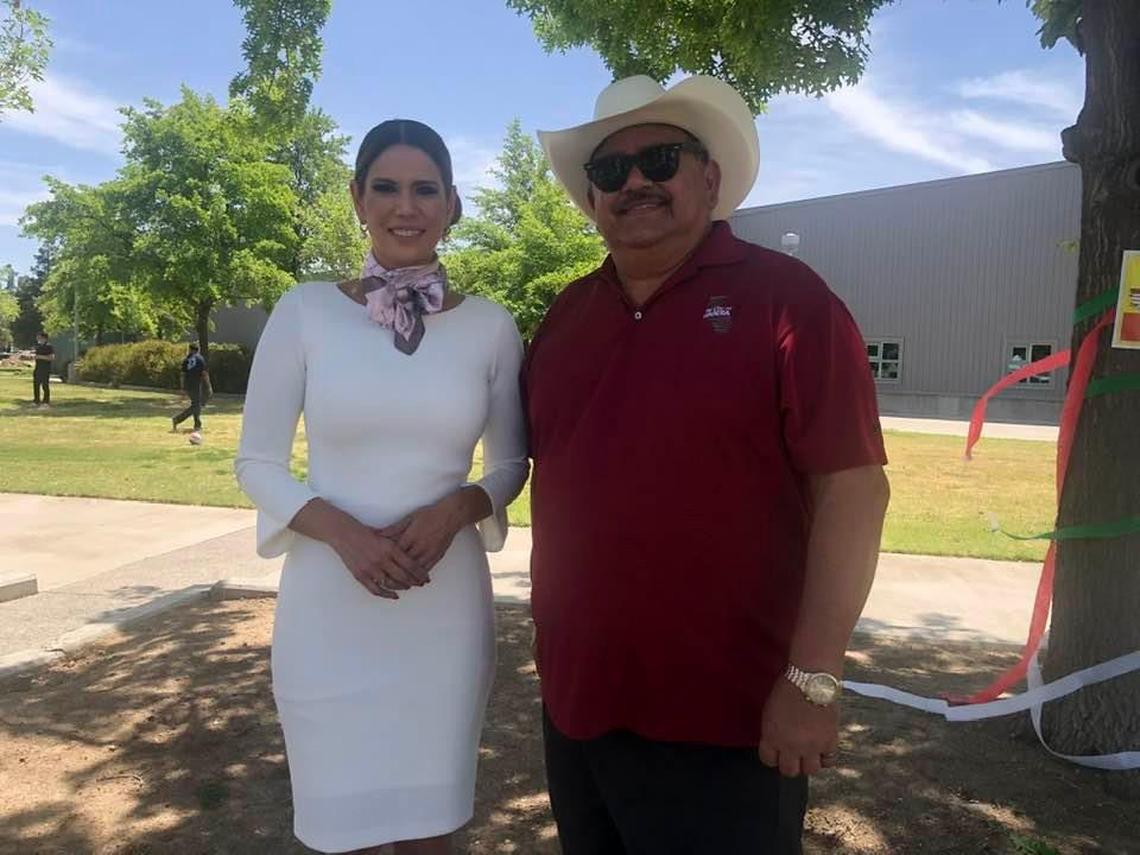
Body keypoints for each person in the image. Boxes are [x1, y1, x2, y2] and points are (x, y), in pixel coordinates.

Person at [525, 75, 891, 854]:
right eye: (610, 170)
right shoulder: (566, 314)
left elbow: (854, 489)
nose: (635, 183)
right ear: (592, 197)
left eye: (660, 158)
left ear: (710, 177)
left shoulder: (788, 301)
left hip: (730, 723)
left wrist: (814, 679)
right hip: (579, 709)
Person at [235, 119, 528, 855]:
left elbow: (510, 464)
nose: (407, 206)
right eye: (387, 187)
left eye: (426, 189)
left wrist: (461, 506)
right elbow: (257, 462)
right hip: (329, 609)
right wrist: (343, 534)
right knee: (346, 831)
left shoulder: (493, 328)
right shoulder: (303, 310)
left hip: (445, 608)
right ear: (357, 197)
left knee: (434, 833)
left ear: (453, 204)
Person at [172, 343, 209, 432]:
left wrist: (182, 387)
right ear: (198, 350)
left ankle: (197, 424)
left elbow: (182, 374)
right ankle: (177, 419)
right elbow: (204, 373)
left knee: (196, 404)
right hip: (196, 384)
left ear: (190, 350)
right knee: (196, 405)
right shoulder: (200, 359)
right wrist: (208, 385)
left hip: (188, 384)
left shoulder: (186, 360)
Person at [32, 331, 54, 407]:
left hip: (45, 368)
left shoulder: (49, 346)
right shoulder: (38, 346)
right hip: (37, 368)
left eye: (39, 337)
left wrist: (40, 357)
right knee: (36, 384)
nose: (38, 339)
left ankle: (46, 400)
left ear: (44, 338)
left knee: (45, 385)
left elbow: (51, 358)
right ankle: (36, 400)